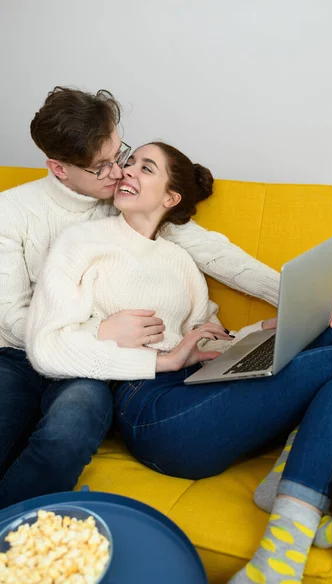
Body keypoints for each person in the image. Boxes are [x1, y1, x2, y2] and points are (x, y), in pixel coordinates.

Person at [25, 141, 332, 583]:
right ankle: (281, 552)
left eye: (145, 167)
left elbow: (204, 336)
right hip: (151, 407)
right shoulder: (80, 242)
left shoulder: (178, 257)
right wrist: (163, 359)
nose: (127, 171)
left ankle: (286, 481)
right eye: (129, 162)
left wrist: (258, 336)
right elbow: (47, 347)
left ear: (170, 198)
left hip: (202, 385)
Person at [0, 85, 297, 509]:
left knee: (74, 420)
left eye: (120, 153)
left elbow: (215, 253)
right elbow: (12, 315)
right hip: (19, 352)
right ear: (60, 169)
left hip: (90, 364)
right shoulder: (10, 212)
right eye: (102, 167)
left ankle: (15, 535)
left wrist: (294, 294)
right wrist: (99, 330)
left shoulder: (125, 202)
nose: (120, 173)